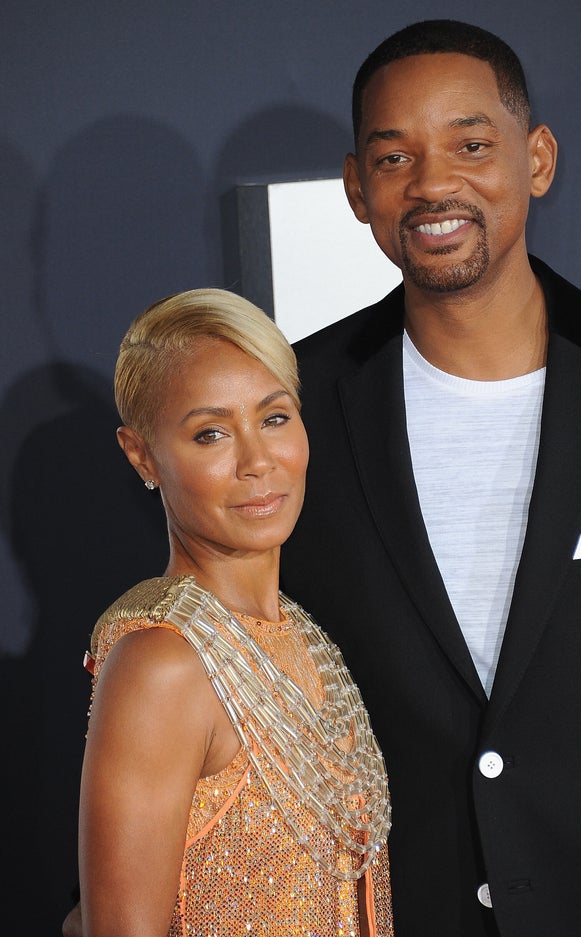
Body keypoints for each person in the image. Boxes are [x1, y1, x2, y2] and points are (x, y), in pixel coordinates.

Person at [277, 18, 581, 937]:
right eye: (394, 158)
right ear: (357, 189)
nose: (434, 184)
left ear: (539, 158)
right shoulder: (292, 408)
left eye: (471, 145)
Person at [70, 288, 393, 937]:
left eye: (275, 417)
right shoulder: (163, 662)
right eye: (211, 432)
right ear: (142, 456)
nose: (258, 462)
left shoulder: (304, 635)